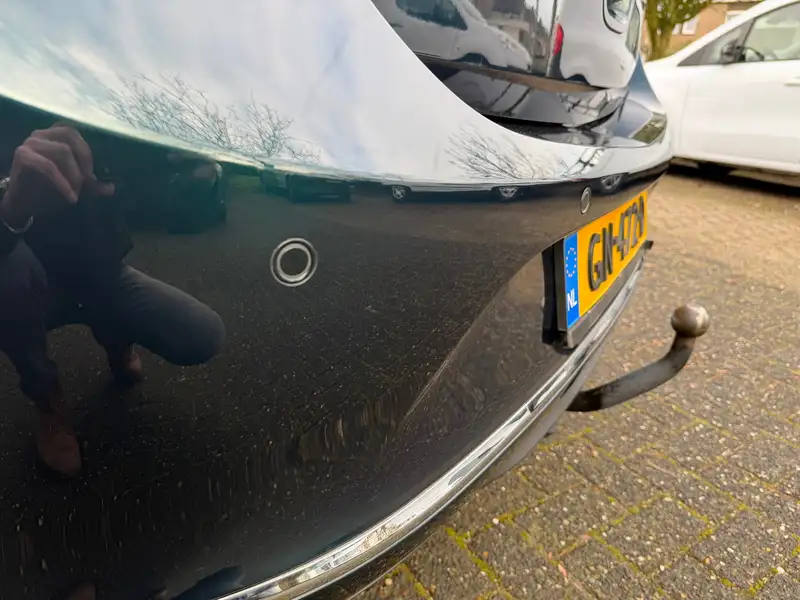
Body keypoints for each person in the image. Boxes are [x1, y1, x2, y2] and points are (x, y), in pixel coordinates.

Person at [0, 123, 226, 477]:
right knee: (9, 282)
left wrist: (190, 179)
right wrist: (11, 211)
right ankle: (47, 400)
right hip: (28, 291)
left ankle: (115, 335)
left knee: (202, 334)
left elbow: (159, 209)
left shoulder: (98, 113)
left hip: (99, 271)